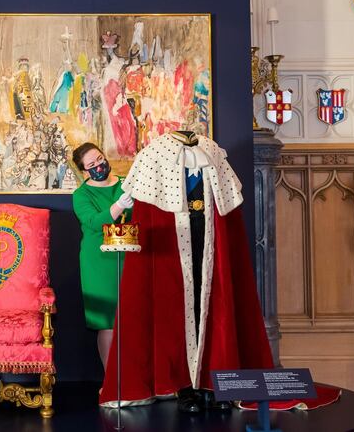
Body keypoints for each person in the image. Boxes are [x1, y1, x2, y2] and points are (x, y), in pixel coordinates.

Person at [98, 131, 273, 412]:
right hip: (171, 249)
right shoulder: (156, 154)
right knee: (174, 316)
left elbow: (226, 208)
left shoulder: (212, 151)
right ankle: (183, 387)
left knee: (215, 310)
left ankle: (215, 383)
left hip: (208, 244)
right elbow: (147, 209)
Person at [71, 142, 133, 371]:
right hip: (98, 263)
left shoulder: (126, 183)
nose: (99, 165)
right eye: (92, 164)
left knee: (132, 319)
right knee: (107, 322)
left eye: (100, 159)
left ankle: (132, 379)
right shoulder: (81, 195)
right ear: (84, 171)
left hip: (129, 258)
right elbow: (95, 223)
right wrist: (118, 206)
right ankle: (111, 380)